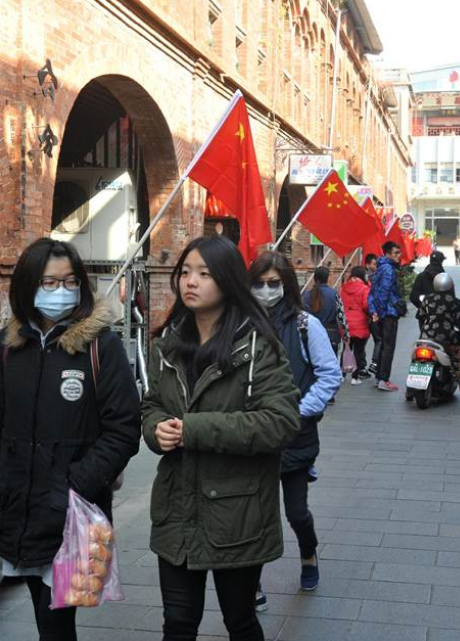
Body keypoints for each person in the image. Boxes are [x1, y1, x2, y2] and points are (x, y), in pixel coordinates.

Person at [142, 236, 300, 641]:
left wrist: (193, 429)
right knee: (178, 623)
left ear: (227, 281)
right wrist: (156, 429)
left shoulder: (258, 345)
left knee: (239, 621)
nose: (190, 282)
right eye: (185, 272)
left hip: (237, 513)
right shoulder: (168, 343)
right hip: (177, 509)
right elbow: (152, 405)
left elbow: (280, 422)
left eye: (204, 274)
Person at [0, 238, 141, 641]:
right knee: (39, 610)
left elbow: (124, 428)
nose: (60, 291)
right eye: (49, 282)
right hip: (15, 507)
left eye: (69, 281)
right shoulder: (9, 346)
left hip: (70, 516)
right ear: (28, 286)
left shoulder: (101, 346)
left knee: (55, 624)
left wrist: (74, 484)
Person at [248, 251, 341, 607]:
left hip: (294, 437)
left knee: (296, 512)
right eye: (259, 284)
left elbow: (329, 374)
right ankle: (251, 581)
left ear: (286, 284)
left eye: (273, 283)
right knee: (254, 516)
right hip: (252, 438)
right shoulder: (240, 324)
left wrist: (297, 412)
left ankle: (308, 553)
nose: (266, 290)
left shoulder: (305, 325)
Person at [368, 241, 403, 392]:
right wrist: (381, 313)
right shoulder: (388, 269)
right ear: (388, 254)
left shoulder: (380, 268)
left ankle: (379, 378)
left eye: (399, 253)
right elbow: (383, 292)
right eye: (396, 253)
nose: (399, 256)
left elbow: (371, 293)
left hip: (382, 313)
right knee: (389, 347)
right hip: (389, 313)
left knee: (383, 346)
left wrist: (374, 311)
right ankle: (384, 379)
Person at [418, 273, 460, 383]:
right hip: (447, 338)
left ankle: (413, 385)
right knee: (457, 361)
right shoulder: (455, 302)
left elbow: (421, 316)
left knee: (418, 360)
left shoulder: (427, 299)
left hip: (426, 337)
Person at [302, 266, 350, 356]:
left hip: (311, 335)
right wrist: (346, 335)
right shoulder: (333, 294)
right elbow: (341, 316)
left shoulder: (306, 295)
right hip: (330, 335)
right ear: (327, 278)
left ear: (314, 278)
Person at [340, 266, 371, 385]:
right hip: (359, 322)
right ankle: (355, 377)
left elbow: (340, 303)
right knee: (358, 351)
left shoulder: (344, 287)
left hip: (346, 323)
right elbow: (366, 305)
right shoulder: (364, 288)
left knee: (346, 349)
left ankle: (342, 375)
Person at [410, 250, 445, 330]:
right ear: (441, 261)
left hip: (425, 315)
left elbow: (413, 297)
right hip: (442, 315)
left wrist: (423, 307)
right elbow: (450, 297)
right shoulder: (444, 277)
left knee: (425, 337)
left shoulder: (421, 276)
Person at [364, 254, 382, 375]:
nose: (376, 267)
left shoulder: (361, 279)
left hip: (363, 315)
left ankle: (360, 368)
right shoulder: (373, 279)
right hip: (372, 314)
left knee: (361, 343)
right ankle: (375, 363)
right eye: (374, 264)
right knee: (379, 340)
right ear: (367, 265)